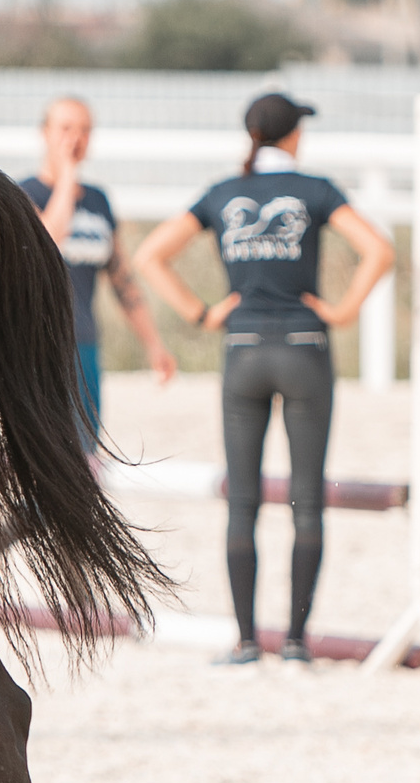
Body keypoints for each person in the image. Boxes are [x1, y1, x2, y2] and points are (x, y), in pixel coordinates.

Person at [132, 93, 394, 665]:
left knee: (243, 500)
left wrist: (202, 313)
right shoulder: (316, 189)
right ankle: (297, 642)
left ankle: (247, 641)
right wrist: (345, 309)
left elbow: (151, 255)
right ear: (294, 134)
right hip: (304, 347)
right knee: (307, 499)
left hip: (243, 348)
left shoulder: (223, 193)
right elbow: (378, 249)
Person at [18, 97, 176, 451]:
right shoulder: (24, 194)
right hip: (37, 344)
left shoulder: (99, 200)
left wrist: (154, 345)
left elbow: (123, 280)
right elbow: (49, 239)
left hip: (84, 342)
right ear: (44, 134)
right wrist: (67, 175)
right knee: (45, 450)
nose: (76, 138)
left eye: (85, 129)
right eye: (66, 128)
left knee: (84, 450)